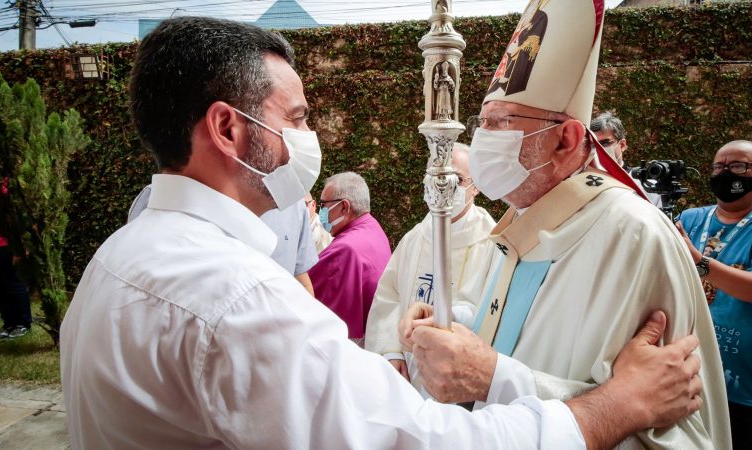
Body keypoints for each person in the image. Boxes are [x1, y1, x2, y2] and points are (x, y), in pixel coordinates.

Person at [60, 16, 706, 450]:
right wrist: (616, 405)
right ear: (228, 130)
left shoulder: (118, 254)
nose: (310, 139)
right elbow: (418, 441)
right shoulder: (236, 296)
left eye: (507, 124)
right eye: (298, 117)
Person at [403, 1, 731, 449]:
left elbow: (670, 422)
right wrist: (451, 321)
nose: (482, 138)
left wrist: (495, 379)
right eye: (483, 123)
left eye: (501, 123)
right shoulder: (522, 218)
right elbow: (520, 325)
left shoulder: (631, 234)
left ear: (567, 139)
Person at [676, 140, 752, 450]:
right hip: (678, 373)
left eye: (739, 166)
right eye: (719, 167)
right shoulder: (689, 219)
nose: (726, 173)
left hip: (736, 386)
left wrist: (699, 261)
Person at [366, 143, 495, 389]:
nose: (443, 185)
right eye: (435, 175)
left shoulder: (491, 240)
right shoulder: (416, 236)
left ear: (476, 186)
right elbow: (389, 295)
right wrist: (391, 350)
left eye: (455, 177)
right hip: (406, 368)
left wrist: (447, 317)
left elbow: (490, 309)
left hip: (455, 369)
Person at [129, 185, 318, 294]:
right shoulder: (162, 196)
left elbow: (300, 277)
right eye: (295, 118)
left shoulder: (293, 204)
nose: (305, 131)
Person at [307, 172, 391, 346]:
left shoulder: (345, 249)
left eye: (323, 205)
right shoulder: (372, 227)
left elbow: (306, 293)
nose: (322, 212)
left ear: (344, 207)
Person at [589, 111, 662, 208]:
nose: (599, 149)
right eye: (594, 145)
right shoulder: (585, 181)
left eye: (605, 143)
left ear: (622, 145)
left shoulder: (646, 185)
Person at [0, 177, 32, 340]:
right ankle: (8, 323)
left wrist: (23, 246)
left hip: (8, 243)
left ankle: (23, 323)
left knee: (14, 283)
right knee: (0, 287)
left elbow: (21, 216)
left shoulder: (9, 185)